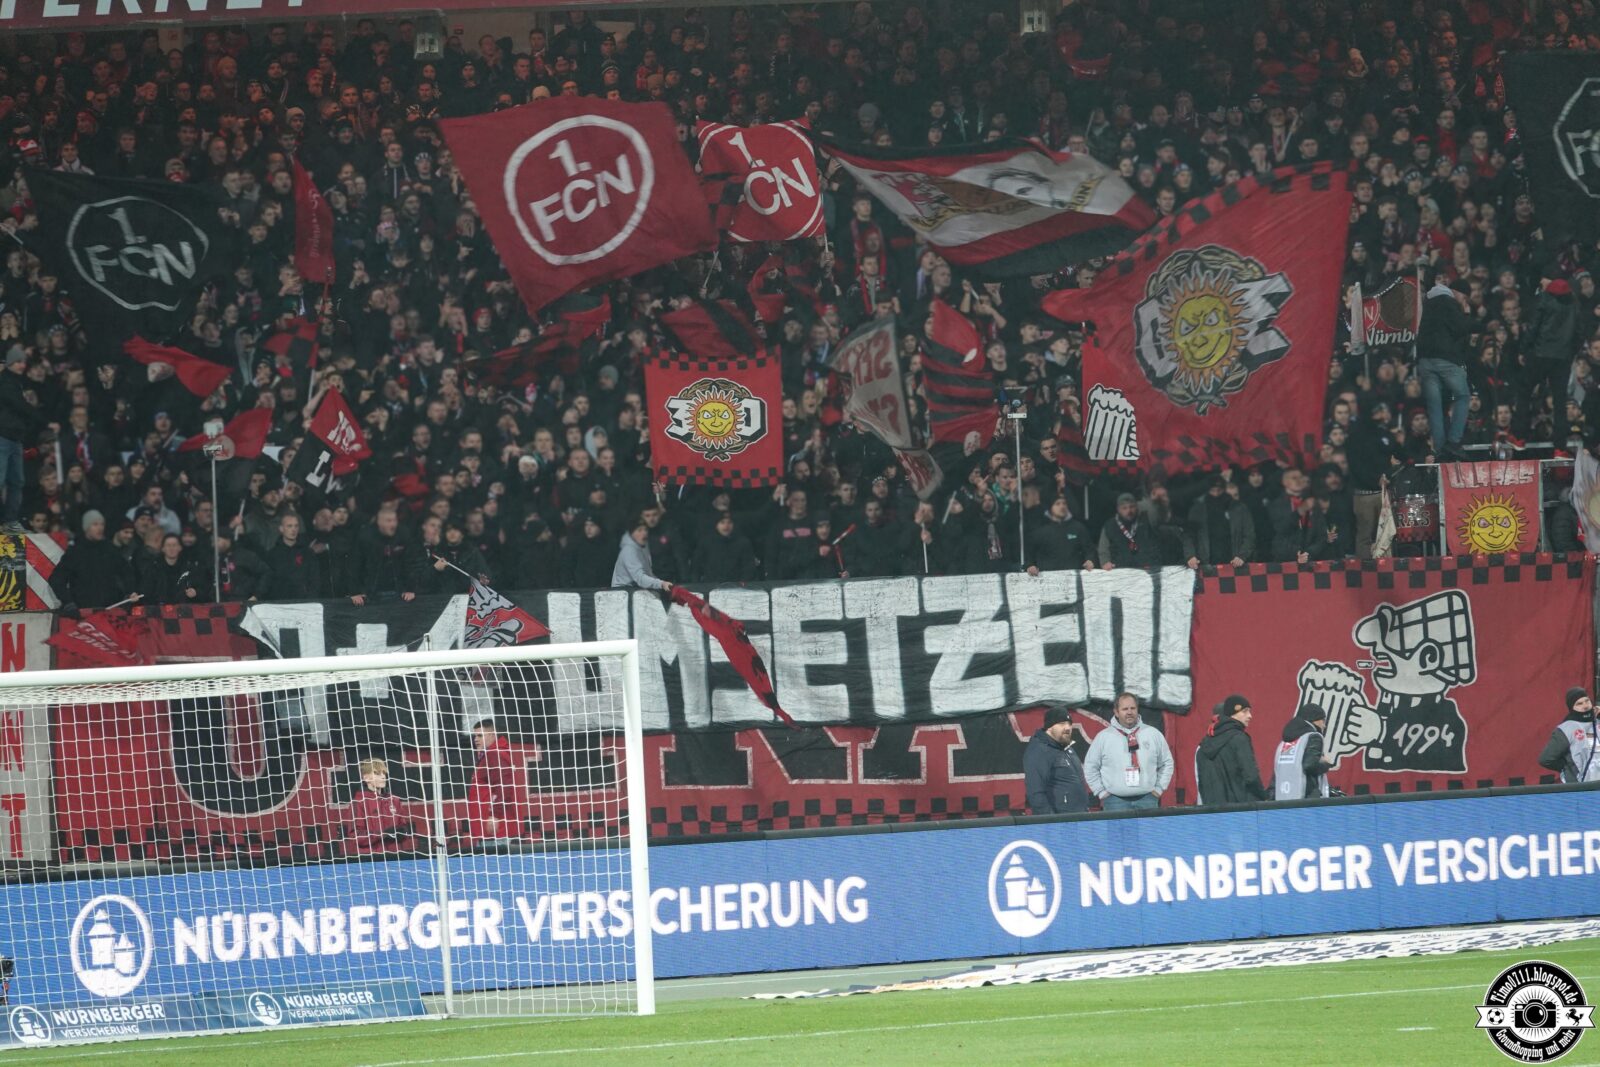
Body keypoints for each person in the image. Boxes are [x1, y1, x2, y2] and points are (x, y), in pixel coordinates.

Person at [1414, 275, 1474, 460]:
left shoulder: (1428, 301)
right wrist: (1465, 313)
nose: (1464, 302)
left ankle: (1440, 450)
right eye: (1464, 298)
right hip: (1444, 359)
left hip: (1424, 360)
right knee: (1463, 396)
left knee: (1435, 406)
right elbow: (1461, 329)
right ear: (1458, 293)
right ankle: (1454, 441)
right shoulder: (1448, 301)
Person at [1083, 692, 1174, 811]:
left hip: (1148, 800)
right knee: (1118, 831)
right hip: (1114, 802)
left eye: (1133, 708)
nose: (1129, 712)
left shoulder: (1153, 734)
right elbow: (1090, 766)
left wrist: (1159, 789)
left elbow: (1167, 763)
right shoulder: (1103, 737)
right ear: (1116, 712)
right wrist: (1101, 792)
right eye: (1125, 709)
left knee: (1147, 831)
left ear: (1137, 709)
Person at [49, 509, 135, 610]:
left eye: (102, 524)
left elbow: (127, 573)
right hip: (83, 612)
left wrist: (130, 593)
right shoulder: (75, 552)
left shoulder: (110, 550)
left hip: (109, 610)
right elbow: (56, 579)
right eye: (95, 524)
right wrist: (68, 602)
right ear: (86, 527)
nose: (100, 528)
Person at [1195, 694, 1272, 806]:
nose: (1250, 716)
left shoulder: (1204, 744)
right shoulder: (1239, 738)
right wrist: (1264, 797)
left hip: (1212, 812)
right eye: (1245, 711)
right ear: (1232, 713)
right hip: (1239, 811)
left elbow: (1202, 782)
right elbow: (1251, 776)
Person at [0, 347, 43, 534]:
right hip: (2, 437)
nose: (22, 365)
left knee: (17, 481)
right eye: (17, 361)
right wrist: (44, 419)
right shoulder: (6, 384)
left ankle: (10, 521)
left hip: (15, 438)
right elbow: (20, 407)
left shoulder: (18, 383)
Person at [1023, 706, 1092, 815]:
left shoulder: (1068, 749)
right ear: (1049, 727)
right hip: (1059, 823)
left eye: (1069, 723)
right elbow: (1035, 791)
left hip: (1078, 818)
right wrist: (1051, 822)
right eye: (1062, 724)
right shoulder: (1040, 751)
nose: (1068, 727)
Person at [467, 719, 526, 843]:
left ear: (493, 734)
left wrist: (495, 815)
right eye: (475, 736)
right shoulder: (490, 754)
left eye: (480, 735)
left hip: (497, 831)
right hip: (493, 829)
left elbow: (504, 787)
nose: (475, 739)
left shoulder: (495, 755)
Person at [344, 758, 413, 856]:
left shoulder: (394, 800)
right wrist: (383, 834)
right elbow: (356, 835)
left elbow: (404, 827)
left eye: (384, 773)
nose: (383, 777)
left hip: (395, 857)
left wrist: (402, 832)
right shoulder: (358, 802)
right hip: (370, 859)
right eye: (377, 773)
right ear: (366, 778)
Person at [1538, 687, 1600, 784]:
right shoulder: (1566, 729)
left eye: (1587, 701)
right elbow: (1546, 759)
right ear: (1572, 707)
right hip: (1580, 787)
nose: (1585, 706)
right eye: (1579, 704)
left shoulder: (1597, 723)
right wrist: (1568, 768)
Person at [1274, 704, 1334, 801]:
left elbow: (1276, 773)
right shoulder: (1314, 737)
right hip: (1306, 799)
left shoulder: (1284, 743)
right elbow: (1310, 766)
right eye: (1323, 720)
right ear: (1315, 719)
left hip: (1282, 798)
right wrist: (1325, 763)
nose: (1324, 725)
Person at [611, 512, 673, 591]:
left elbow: (647, 573)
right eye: (639, 530)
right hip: (622, 593)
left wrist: (661, 582)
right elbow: (640, 578)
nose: (644, 533)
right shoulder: (628, 551)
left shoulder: (643, 546)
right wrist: (661, 584)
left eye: (645, 529)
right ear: (631, 534)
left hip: (636, 590)